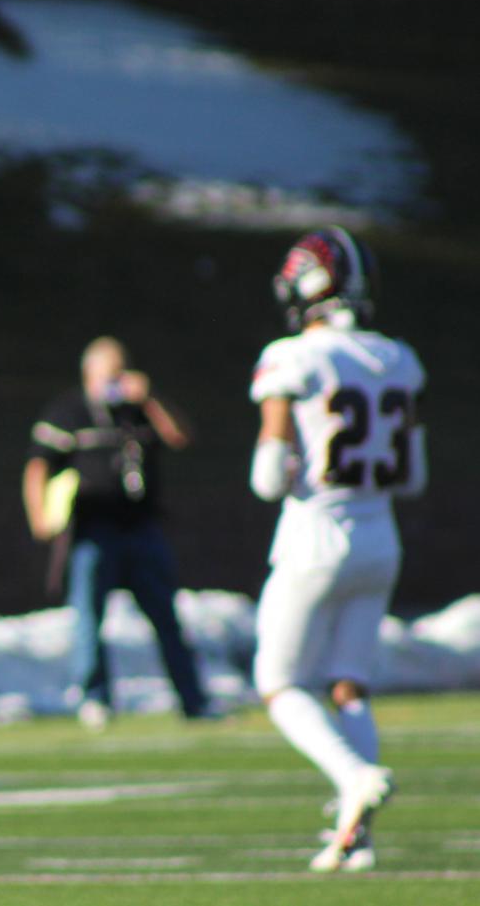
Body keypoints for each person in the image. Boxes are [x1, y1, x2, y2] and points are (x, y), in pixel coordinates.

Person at [248, 226, 424, 873]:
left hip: (315, 535)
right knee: (348, 684)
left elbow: (266, 479)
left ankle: (353, 776)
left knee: (277, 682)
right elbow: (413, 475)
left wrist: (292, 461)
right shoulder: (397, 358)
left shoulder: (293, 356)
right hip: (380, 536)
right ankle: (357, 836)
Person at [22, 336, 211, 730]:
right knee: (89, 617)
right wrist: (39, 515)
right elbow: (38, 466)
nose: (117, 382)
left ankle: (193, 699)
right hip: (94, 530)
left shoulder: (140, 411)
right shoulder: (69, 411)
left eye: (122, 373)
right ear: (90, 373)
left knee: (166, 617)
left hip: (142, 528)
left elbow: (180, 437)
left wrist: (151, 397)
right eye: (111, 374)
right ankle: (95, 698)